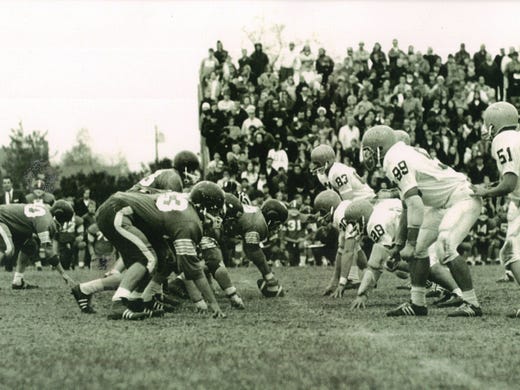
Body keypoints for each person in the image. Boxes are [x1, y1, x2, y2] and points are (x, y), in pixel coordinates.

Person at [362, 125, 482, 317]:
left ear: (380, 147)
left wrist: (408, 243)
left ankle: (472, 303)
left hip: (461, 197)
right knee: (419, 249)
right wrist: (398, 244)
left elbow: (416, 205)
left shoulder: (395, 159)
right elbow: (407, 207)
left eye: (368, 150)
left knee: (445, 247)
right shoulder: (401, 154)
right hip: (442, 202)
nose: (366, 155)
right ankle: (417, 303)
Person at [93, 182, 226, 320]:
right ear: (202, 207)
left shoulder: (185, 201)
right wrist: (213, 304)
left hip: (122, 209)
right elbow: (193, 269)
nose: (215, 216)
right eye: (213, 211)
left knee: (166, 258)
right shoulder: (189, 222)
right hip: (117, 211)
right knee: (147, 259)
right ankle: (119, 302)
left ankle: (136, 301)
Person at [471, 102, 520, 318]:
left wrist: (485, 193)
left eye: (487, 123)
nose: (485, 128)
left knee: (509, 253)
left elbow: (509, 183)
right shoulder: (515, 137)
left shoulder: (502, 140)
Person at [0, 200, 75, 289]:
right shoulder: (46, 220)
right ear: (58, 214)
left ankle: (18, 281)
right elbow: (49, 252)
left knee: (30, 245)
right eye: (63, 221)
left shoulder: (46, 211)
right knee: (8, 249)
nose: (62, 225)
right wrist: (64, 274)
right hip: (2, 220)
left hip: (11, 223)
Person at [222, 196, 287, 297]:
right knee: (213, 258)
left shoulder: (256, 215)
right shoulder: (258, 223)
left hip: (221, 227)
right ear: (272, 217)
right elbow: (254, 251)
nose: (277, 228)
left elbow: (248, 249)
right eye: (277, 224)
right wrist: (269, 277)